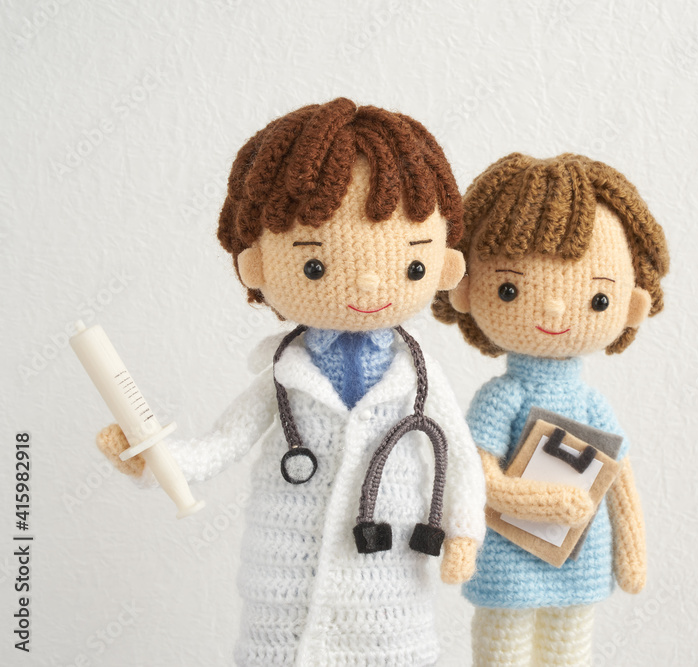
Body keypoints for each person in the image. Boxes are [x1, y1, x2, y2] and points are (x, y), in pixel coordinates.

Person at [97, 99, 486, 667]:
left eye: (412, 265)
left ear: (445, 264)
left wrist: (465, 531)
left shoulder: (419, 376)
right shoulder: (282, 375)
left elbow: (459, 456)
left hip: (389, 582)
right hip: (286, 582)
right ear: (256, 266)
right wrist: (156, 460)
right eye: (315, 266)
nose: (369, 285)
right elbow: (222, 443)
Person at [432, 152, 670, 666]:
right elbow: (476, 476)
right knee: (503, 650)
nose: (556, 309)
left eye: (597, 299)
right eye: (510, 289)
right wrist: (538, 504)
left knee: (569, 651)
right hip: (507, 553)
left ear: (631, 304)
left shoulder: (590, 404)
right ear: (467, 291)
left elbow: (619, 477)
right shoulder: (502, 398)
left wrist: (631, 551)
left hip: (579, 555)